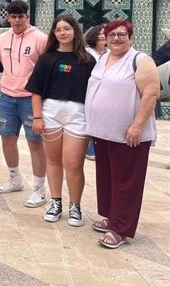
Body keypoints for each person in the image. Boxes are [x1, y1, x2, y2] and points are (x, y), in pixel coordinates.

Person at [85, 19, 160, 249]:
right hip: (103, 132)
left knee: (126, 182)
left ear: (130, 37)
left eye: (122, 34)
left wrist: (137, 126)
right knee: (107, 178)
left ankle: (120, 229)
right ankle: (111, 217)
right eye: (111, 35)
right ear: (105, 38)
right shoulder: (104, 59)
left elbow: (151, 93)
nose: (116, 38)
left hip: (128, 135)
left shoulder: (140, 60)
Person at [26, 15, 96, 227]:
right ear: (54, 33)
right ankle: (56, 201)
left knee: (74, 163)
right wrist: (37, 117)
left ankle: (75, 206)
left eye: (67, 28)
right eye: (58, 30)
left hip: (77, 114)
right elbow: (35, 90)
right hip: (51, 112)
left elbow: (95, 92)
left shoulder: (87, 60)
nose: (63, 33)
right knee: (53, 161)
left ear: (75, 30)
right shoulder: (47, 59)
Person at [0, 0, 48, 207]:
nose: (17, 21)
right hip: (7, 96)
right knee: (7, 139)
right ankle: (15, 178)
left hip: (30, 98)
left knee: (35, 142)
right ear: (8, 18)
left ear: (27, 17)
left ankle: (39, 189)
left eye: (21, 17)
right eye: (13, 17)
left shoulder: (40, 39)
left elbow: (48, 68)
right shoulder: (2, 39)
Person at [84, 24, 107, 160]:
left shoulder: (109, 53)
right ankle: (91, 150)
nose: (102, 36)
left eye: (105, 34)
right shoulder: (87, 54)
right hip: (91, 92)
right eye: (99, 34)